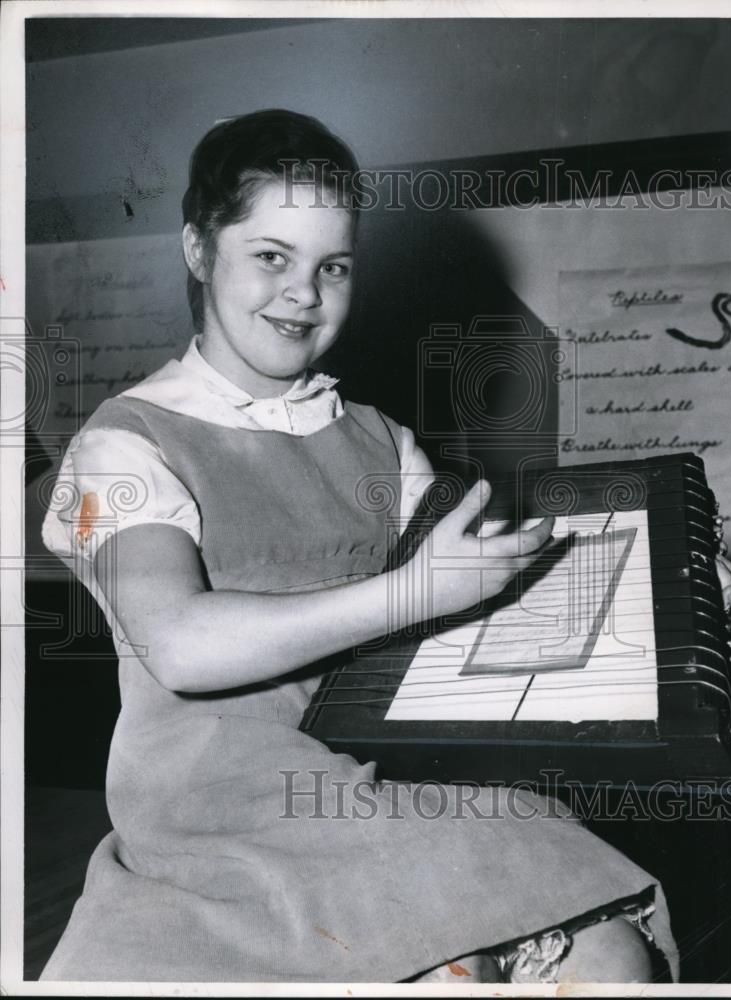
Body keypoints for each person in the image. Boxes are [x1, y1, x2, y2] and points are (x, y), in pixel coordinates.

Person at [41, 109, 682, 984]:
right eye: (271, 256)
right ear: (198, 250)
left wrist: (670, 577)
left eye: (331, 266)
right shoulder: (126, 442)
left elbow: (481, 593)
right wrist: (413, 593)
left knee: (614, 960)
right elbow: (180, 644)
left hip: (380, 780)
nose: (303, 293)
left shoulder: (381, 441)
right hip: (215, 814)